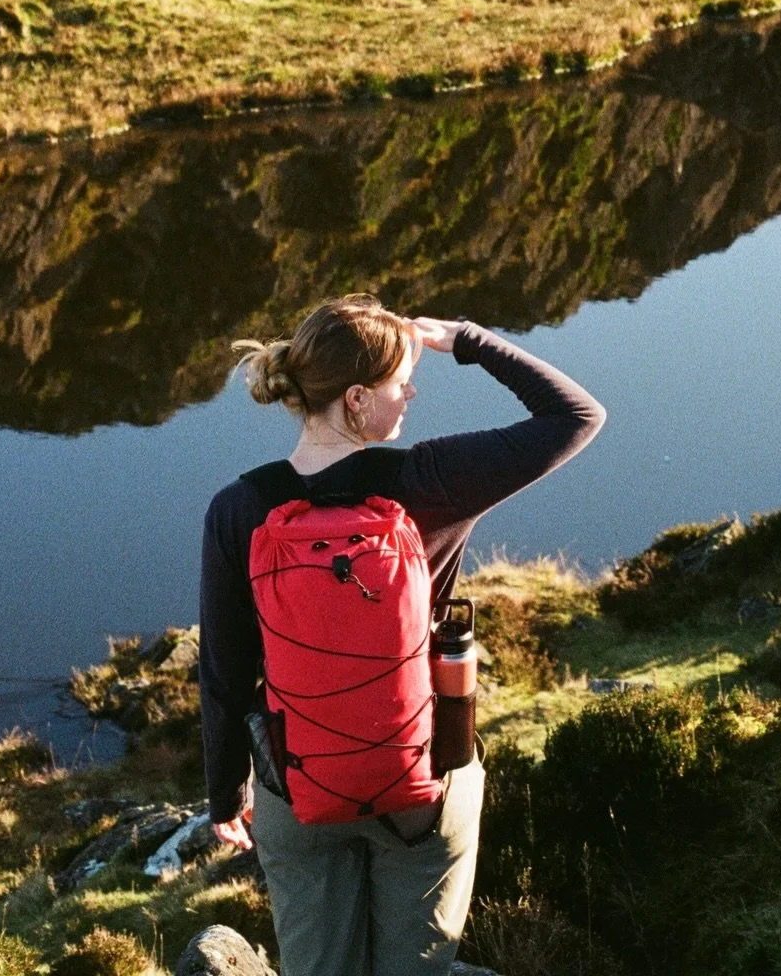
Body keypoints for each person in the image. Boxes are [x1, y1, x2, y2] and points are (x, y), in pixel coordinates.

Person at [201, 295, 605, 976]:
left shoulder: (240, 507)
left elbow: (225, 672)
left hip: (297, 783)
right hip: (425, 770)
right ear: (356, 399)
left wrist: (225, 793)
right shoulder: (430, 480)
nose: (412, 391)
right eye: (399, 381)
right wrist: (467, 339)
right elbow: (576, 416)